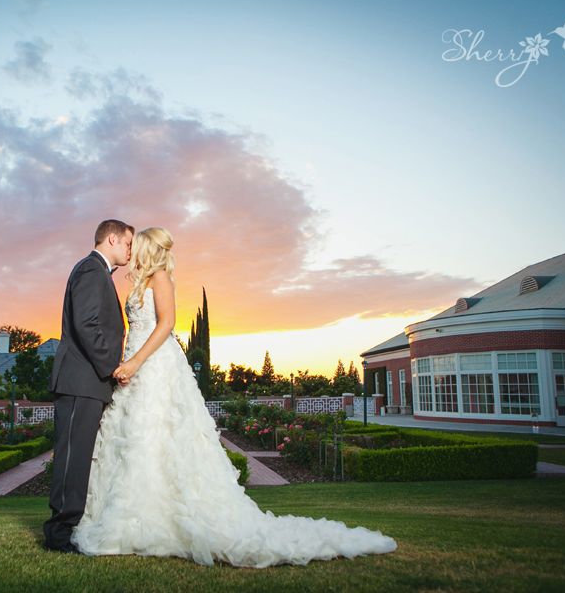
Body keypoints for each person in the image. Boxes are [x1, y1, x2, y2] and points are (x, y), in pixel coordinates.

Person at [70, 227, 398, 567]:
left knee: (158, 433)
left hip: (154, 365)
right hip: (134, 367)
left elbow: (166, 324)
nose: (130, 249)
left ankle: (157, 521)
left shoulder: (161, 278)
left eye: (134, 245)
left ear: (147, 248)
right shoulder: (139, 281)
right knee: (135, 439)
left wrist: (137, 361)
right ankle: (131, 516)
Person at [42, 219, 134, 553]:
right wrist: (111, 367)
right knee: (73, 457)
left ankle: (68, 526)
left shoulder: (96, 272)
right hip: (81, 380)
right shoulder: (91, 271)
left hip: (86, 381)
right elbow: (87, 323)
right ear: (112, 239)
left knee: (80, 457)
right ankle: (59, 532)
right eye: (127, 243)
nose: (130, 250)